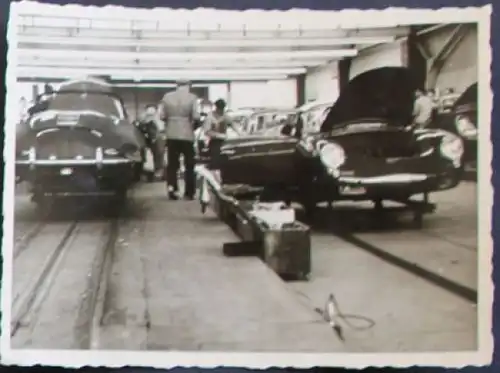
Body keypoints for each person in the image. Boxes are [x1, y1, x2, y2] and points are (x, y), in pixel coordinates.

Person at [159, 79, 200, 200]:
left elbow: (162, 116)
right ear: (188, 85)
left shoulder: (166, 97)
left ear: (176, 85)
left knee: (172, 164)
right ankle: (189, 192)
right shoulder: (192, 97)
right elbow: (196, 116)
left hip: (171, 134)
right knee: (189, 164)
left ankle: (172, 189)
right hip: (187, 134)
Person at [204, 99, 236, 170]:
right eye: (220, 108)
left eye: (223, 108)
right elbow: (206, 131)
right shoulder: (210, 117)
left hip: (224, 142)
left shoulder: (225, 116)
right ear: (216, 107)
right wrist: (218, 135)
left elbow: (234, 125)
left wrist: (241, 134)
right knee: (215, 162)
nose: (221, 110)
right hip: (214, 142)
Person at [137, 104, 164, 178]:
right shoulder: (143, 120)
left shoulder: (157, 120)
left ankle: (158, 170)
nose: (151, 115)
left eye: (153, 113)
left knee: (158, 152)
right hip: (145, 138)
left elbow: (158, 131)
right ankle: (143, 170)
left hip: (154, 138)